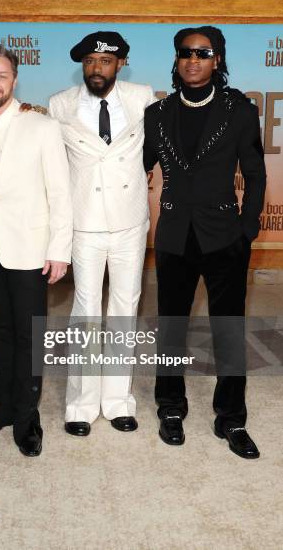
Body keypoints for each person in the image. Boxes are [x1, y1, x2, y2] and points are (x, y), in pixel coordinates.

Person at [143, 26, 266, 459]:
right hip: (175, 235)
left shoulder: (240, 110)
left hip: (224, 238)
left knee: (228, 331)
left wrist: (246, 231)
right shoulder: (156, 114)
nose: (193, 59)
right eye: (185, 53)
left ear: (218, 60)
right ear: (177, 60)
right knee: (171, 328)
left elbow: (255, 173)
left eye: (203, 52)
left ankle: (231, 417)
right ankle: (171, 407)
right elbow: (130, 165)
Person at [0, 44, 72, 457]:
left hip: (31, 249)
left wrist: (60, 248)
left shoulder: (42, 127)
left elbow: (60, 192)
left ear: (14, 79)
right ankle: (3, 407)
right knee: (0, 333)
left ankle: (28, 418)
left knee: (28, 337)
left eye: (1, 76)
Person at [48, 31, 156, 436]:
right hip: (85, 221)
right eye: (90, 61)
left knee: (125, 310)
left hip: (130, 221)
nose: (97, 68)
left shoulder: (142, 96)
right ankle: (79, 405)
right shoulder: (61, 104)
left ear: (121, 64)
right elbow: (41, 146)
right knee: (86, 311)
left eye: (105, 61)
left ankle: (117, 402)